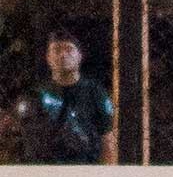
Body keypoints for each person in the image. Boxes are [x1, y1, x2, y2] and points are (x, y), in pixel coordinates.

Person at [4, 30, 116, 164]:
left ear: (80, 56)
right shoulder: (35, 95)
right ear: (48, 57)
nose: (63, 55)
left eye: (69, 49)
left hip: (84, 172)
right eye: (57, 50)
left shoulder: (95, 93)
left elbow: (107, 140)